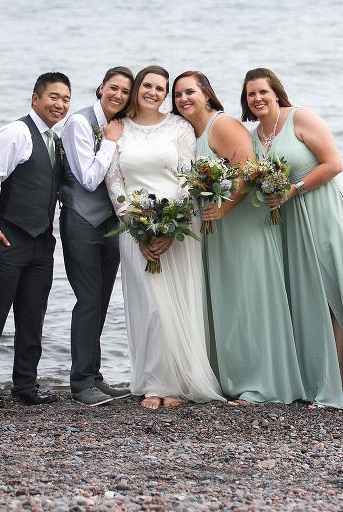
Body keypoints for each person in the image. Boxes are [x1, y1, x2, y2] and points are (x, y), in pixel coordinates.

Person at [241, 68, 343, 408]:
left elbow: (334, 163)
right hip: (291, 219)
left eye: (263, 91)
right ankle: (318, 380)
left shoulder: (301, 118)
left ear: (276, 92)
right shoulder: (252, 136)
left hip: (325, 209)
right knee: (310, 297)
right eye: (251, 95)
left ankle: (339, 386)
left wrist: (294, 189)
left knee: (336, 294)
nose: (258, 99)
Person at [172, 71, 305, 404]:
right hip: (217, 228)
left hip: (243, 224)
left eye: (190, 92)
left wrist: (222, 210)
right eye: (177, 95)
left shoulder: (223, 125)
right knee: (228, 302)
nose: (184, 99)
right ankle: (229, 377)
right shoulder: (191, 130)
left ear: (206, 94)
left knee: (250, 301)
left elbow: (247, 170)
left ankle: (261, 384)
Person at [104, 65, 225, 409]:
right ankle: (151, 382)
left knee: (176, 304)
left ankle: (173, 384)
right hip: (134, 228)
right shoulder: (118, 129)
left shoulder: (179, 127)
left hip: (178, 229)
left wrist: (172, 229)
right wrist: (136, 227)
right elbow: (114, 182)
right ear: (137, 88)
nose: (153, 92)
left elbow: (187, 181)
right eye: (147, 85)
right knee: (149, 307)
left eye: (161, 88)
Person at [0, 72, 71, 407]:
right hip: (6, 238)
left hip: (41, 242)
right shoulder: (15, 132)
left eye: (66, 98)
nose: (60, 104)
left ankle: (25, 385)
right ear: (35, 98)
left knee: (32, 314)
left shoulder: (54, 139)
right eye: (53, 96)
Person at [60, 66, 135, 406]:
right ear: (101, 88)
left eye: (124, 91)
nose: (118, 95)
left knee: (101, 302)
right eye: (113, 88)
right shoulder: (79, 123)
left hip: (110, 223)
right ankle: (80, 383)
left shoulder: (119, 125)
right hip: (81, 222)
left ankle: (94, 376)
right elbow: (88, 179)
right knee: (88, 300)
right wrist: (110, 142)